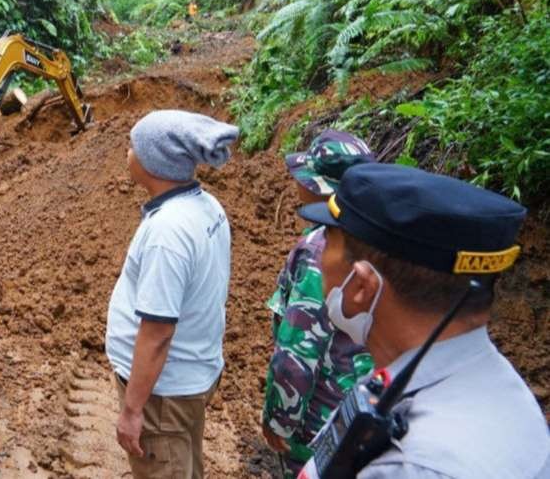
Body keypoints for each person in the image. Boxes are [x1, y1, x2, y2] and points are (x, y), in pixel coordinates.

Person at [297, 163, 550, 478]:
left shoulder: (410, 467)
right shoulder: (509, 398)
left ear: (362, 286)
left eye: (328, 242)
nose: (319, 257)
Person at [106, 109, 238, 479]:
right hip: (189, 378)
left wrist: (133, 412)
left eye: (132, 146)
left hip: (162, 396)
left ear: (153, 162)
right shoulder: (205, 206)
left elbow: (158, 333)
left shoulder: (168, 232)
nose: (127, 152)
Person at [262, 130, 376, 477]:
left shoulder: (320, 250)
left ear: (320, 188)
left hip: (320, 421)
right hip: (364, 408)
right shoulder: (378, 238)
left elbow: (298, 351)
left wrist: (278, 421)